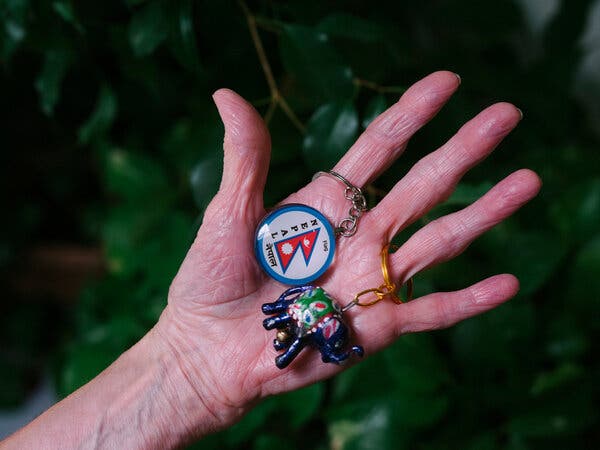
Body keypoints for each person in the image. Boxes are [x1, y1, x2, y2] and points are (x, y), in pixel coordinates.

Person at [0, 71, 541, 449]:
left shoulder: (305, 314)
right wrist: (189, 367)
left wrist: (183, 375)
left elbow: (296, 318)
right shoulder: (293, 316)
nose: (283, 339)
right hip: (310, 303)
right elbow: (285, 320)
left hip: (313, 303)